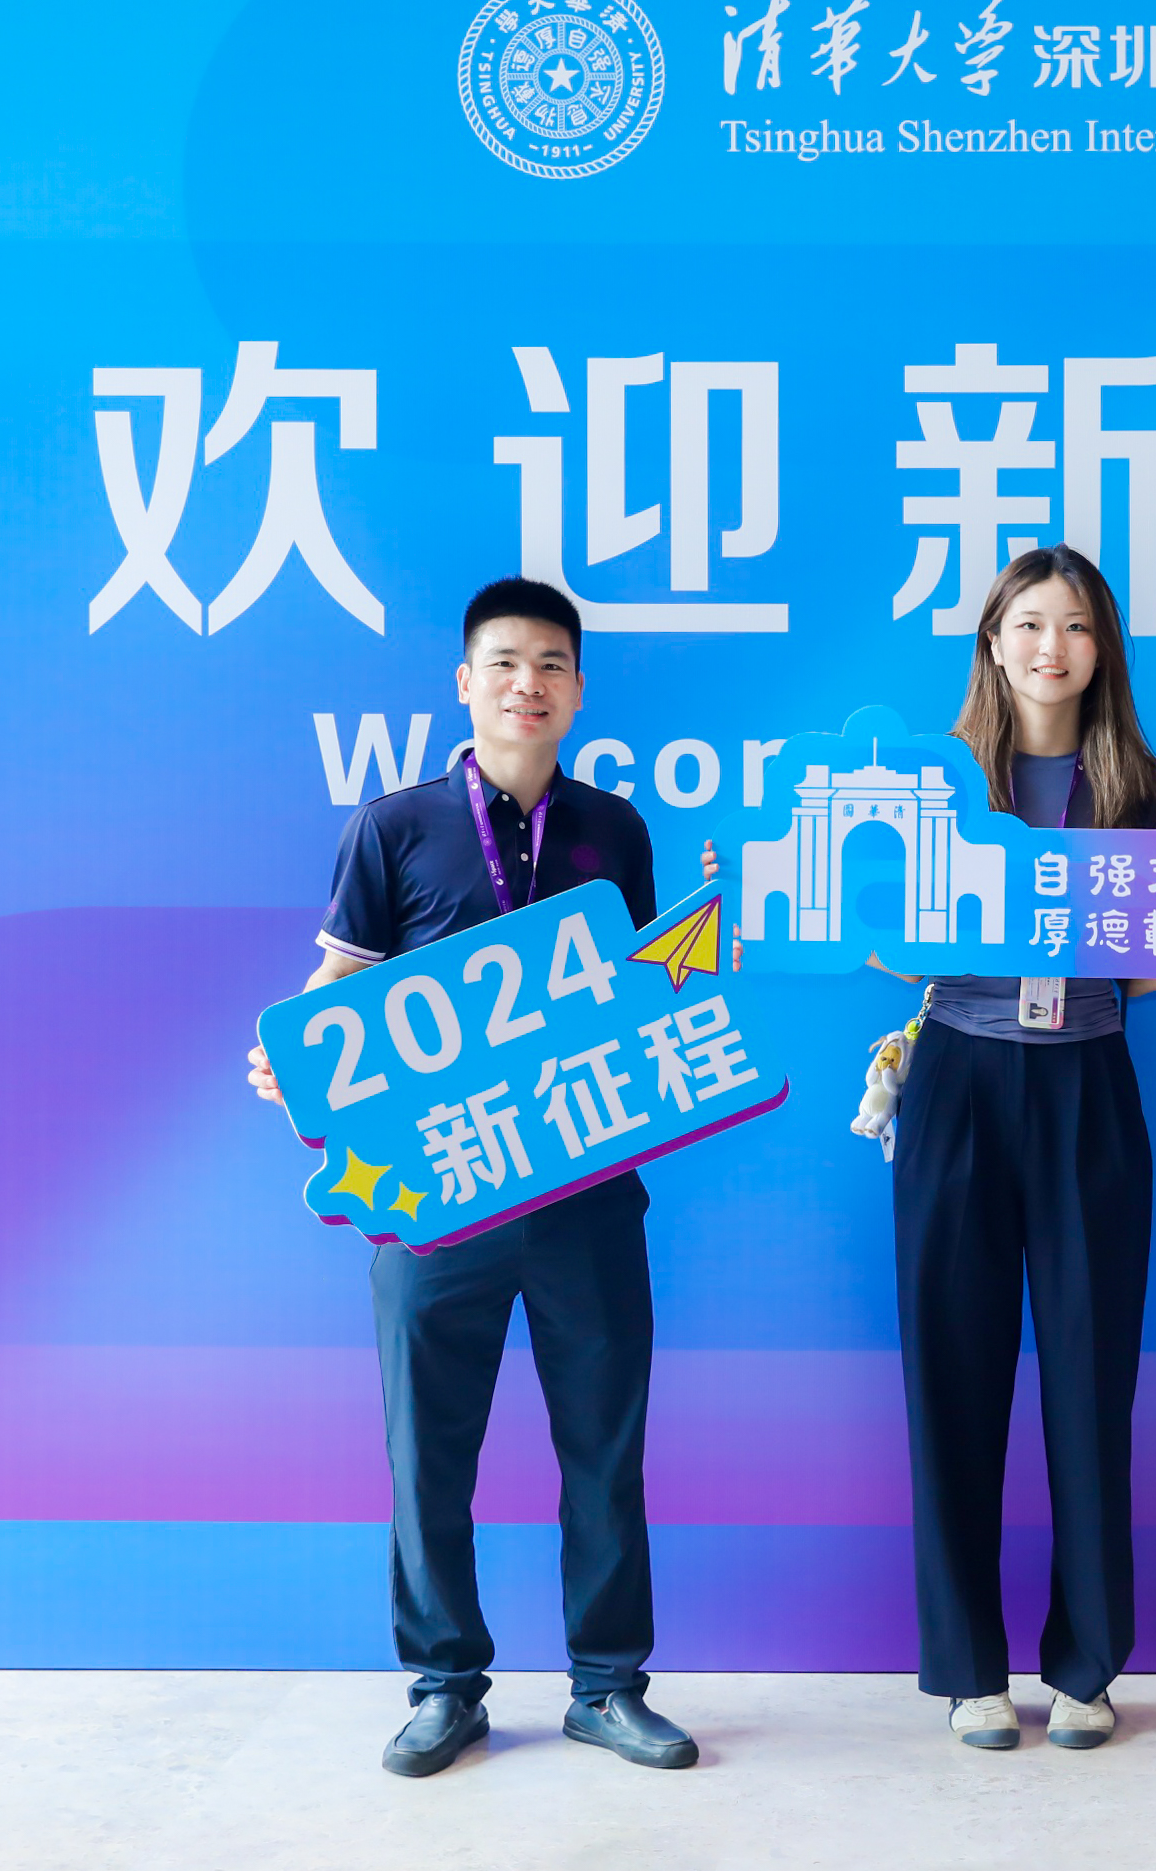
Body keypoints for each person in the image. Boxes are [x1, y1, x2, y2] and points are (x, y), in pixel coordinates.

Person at [245, 577, 700, 1779]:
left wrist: (697, 964)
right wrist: (292, 1057)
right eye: (503, 662)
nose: (525, 684)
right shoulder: (392, 828)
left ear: (578, 689)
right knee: (428, 1455)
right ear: (464, 682)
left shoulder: (615, 830)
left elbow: (639, 992)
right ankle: (444, 1686)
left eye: (549, 664)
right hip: (434, 1196)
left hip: (585, 1189)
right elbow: (339, 988)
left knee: (603, 1449)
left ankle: (607, 1686)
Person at [881, 545, 1156, 1753]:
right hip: (956, 1076)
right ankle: (967, 1669)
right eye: (1027, 624)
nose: (1050, 646)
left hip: (1086, 1081)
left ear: (1101, 650)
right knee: (950, 1377)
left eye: (1074, 626)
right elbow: (891, 944)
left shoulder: (1139, 786)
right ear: (991, 643)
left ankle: (1085, 1666)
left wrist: (1135, 940)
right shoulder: (934, 782)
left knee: (1089, 1380)